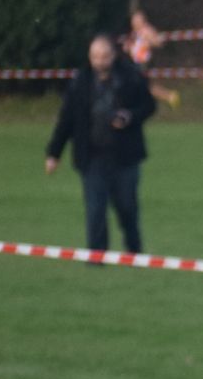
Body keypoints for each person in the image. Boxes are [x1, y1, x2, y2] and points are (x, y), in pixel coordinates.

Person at [43, 31, 156, 254]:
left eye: (104, 56)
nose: (99, 61)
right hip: (92, 156)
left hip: (125, 158)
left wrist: (130, 116)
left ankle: (134, 252)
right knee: (95, 210)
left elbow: (149, 106)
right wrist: (54, 153)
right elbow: (66, 119)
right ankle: (96, 257)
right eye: (95, 56)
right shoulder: (80, 82)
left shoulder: (131, 77)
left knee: (127, 208)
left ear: (113, 55)